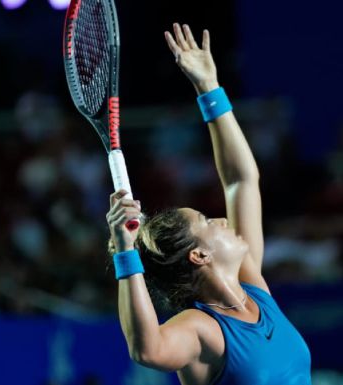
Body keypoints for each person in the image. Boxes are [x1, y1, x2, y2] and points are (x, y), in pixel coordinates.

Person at [106, 23, 311, 385]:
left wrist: (209, 88)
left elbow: (240, 180)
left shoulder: (254, 290)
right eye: (205, 220)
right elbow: (148, 350)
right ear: (199, 255)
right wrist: (125, 252)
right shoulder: (202, 328)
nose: (220, 218)